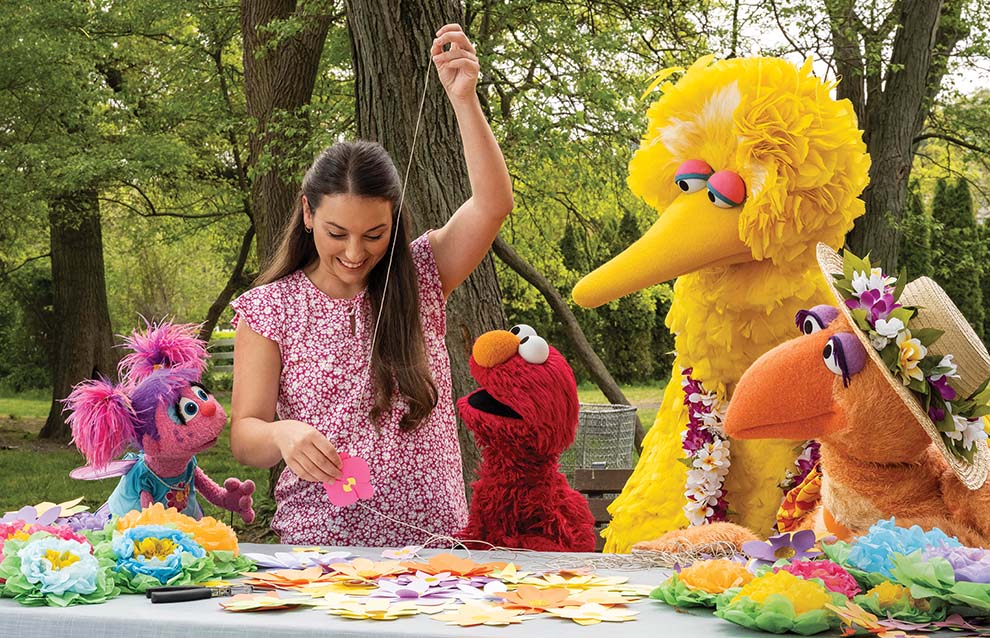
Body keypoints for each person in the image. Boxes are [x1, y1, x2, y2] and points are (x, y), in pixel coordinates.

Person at [228, 24, 512, 546]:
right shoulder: (269, 307)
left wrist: (465, 100)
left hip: (434, 548)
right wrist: (280, 433)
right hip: (318, 550)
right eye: (338, 233)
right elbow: (245, 436)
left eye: (374, 234)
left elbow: (493, 205)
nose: (355, 253)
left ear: (394, 223)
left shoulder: (422, 274)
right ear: (308, 214)